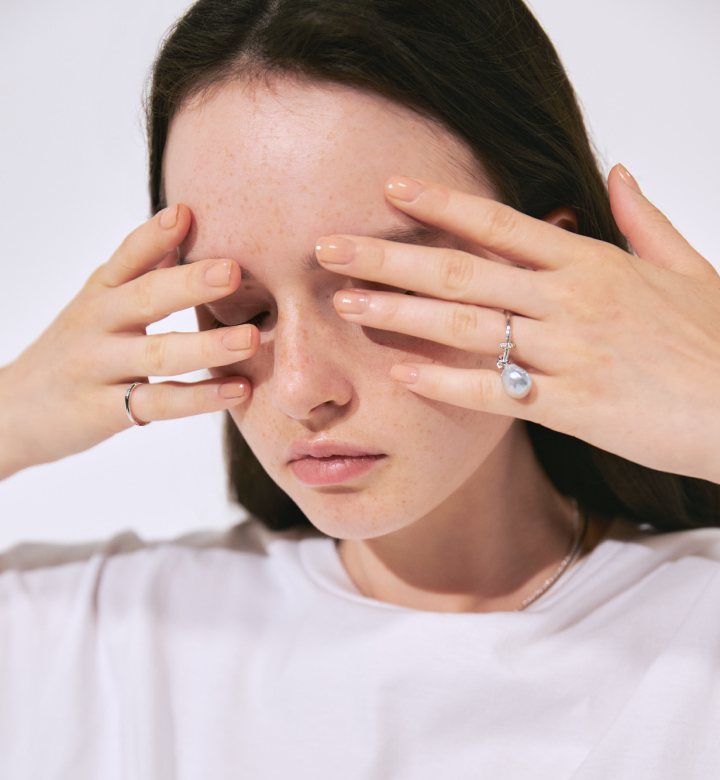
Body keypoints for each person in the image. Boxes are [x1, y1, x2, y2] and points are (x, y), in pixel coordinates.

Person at [1, 0, 719, 776]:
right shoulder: (115, 638)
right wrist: (16, 410)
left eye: (380, 291)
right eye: (242, 310)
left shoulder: (696, 620)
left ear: (551, 261)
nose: (300, 388)